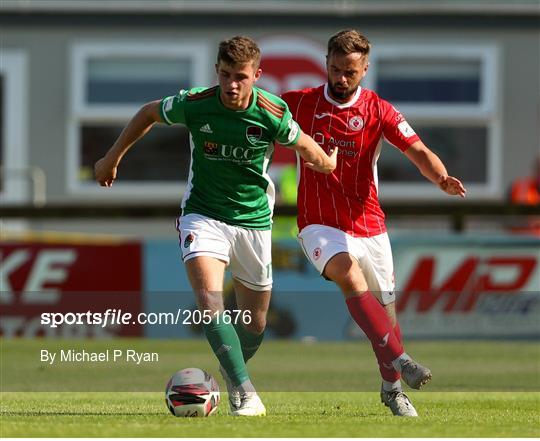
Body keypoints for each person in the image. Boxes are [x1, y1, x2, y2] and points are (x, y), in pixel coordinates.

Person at [94, 36, 337, 416]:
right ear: (216, 72)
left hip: (254, 224)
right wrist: (111, 158)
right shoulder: (196, 104)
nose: (232, 85)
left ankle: (229, 371)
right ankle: (246, 391)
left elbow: (306, 147)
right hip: (203, 216)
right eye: (225, 75)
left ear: (257, 75)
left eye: (240, 76)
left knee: (255, 324)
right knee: (210, 302)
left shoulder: (272, 114)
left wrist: (328, 162)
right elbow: (148, 113)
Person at [281, 30, 466, 417]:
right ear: (326, 65)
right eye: (335, 69)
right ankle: (403, 361)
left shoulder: (379, 110)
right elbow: (255, 114)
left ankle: (392, 388)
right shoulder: (299, 104)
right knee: (349, 276)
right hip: (319, 224)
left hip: (369, 224)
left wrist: (441, 177)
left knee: (387, 318)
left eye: (350, 71)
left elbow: (417, 149)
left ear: (365, 68)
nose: (341, 78)